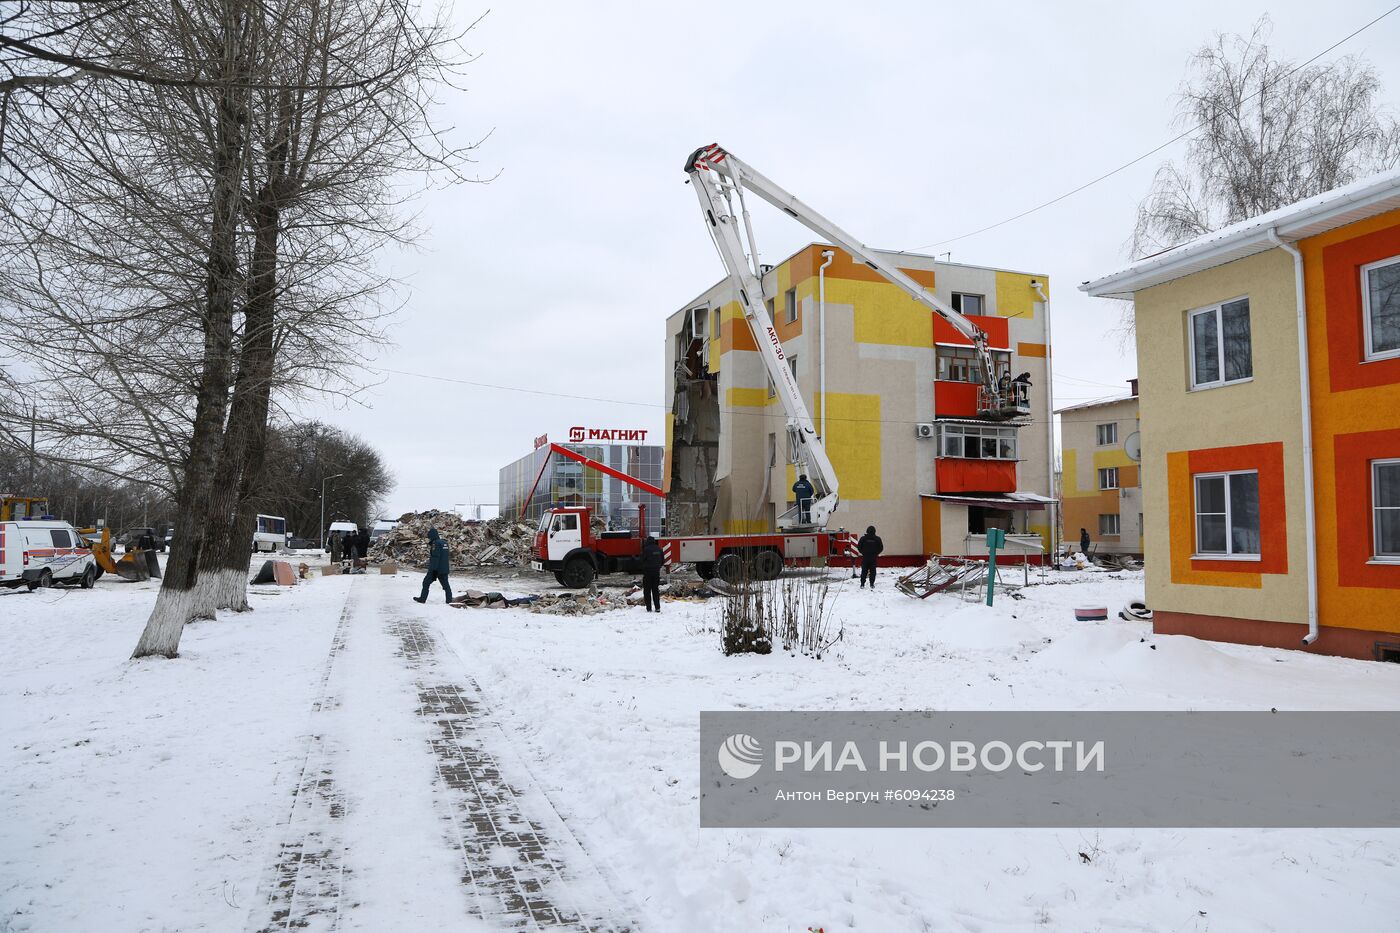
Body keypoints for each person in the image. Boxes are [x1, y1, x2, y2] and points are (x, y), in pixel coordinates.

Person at [414, 527, 453, 604]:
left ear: (432, 536)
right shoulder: (444, 543)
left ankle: (422, 599)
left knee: (426, 583)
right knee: (446, 586)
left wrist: (432, 570)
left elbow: (435, 558)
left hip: (436, 570)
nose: (429, 539)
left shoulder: (436, 544)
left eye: (429, 537)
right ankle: (449, 600)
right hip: (444, 569)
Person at [641, 535, 665, 613]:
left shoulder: (646, 550)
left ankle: (649, 608)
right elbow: (662, 561)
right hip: (656, 573)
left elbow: (642, 560)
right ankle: (657, 607)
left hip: (647, 573)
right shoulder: (659, 549)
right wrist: (657, 567)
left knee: (647, 590)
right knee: (655, 590)